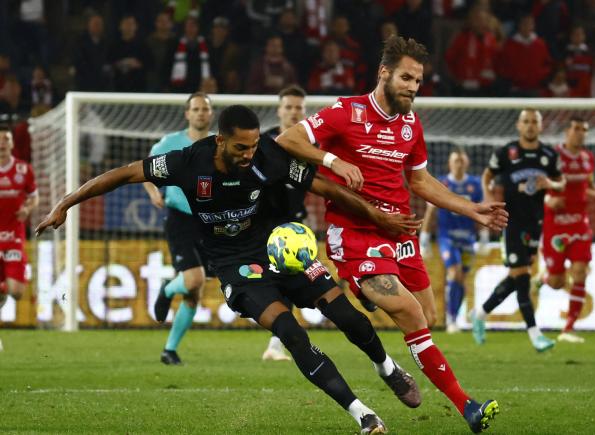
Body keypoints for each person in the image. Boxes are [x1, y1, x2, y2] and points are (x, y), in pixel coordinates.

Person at [37, 105, 429, 434]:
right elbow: (122, 174)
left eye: (254, 145)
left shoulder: (268, 156)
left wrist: (376, 214)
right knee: (290, 332)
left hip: (276, 250)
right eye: (242, 147)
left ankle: (387, 367)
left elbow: (323, 188)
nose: (249, 154)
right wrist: (65, 205)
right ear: (221, 140)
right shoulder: (188, 162)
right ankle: (362, 413)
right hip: (233, 265)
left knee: (346, 316)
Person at [276, 36, 507, 433]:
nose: (413, 88)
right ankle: (467, 406)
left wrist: (471, 209)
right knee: (414, 315)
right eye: (406, 78)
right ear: (384, 73)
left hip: (400, 234)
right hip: (355, 233)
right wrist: (333, 159)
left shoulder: (410, 124)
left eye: (418, 81)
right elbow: (287, 140)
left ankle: (371, 294)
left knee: (427, 317)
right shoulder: (345, 112)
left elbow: (419, 181)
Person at [471, 109, 565, 352]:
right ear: (518, 125)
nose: (530, 126)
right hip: (510, 222)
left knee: (516, 278)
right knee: (523, 278)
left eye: (534, 122)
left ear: (540, 127)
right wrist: (488, 196)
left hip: (535, 224)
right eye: (526, 122)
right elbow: (487, 175)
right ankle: (535, 335)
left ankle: (479, 313)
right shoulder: (506, 152)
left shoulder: (548, 155)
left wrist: (550, 184)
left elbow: (561, 181)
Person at [143, 92, 215, 365]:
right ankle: (165, 289)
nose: (200, 113)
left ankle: (169, 350)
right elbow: (146, 171)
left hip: (209, 220)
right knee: (194, 279)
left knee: (195, 292)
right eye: (195, 109)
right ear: (187, 114)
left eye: (204, 109)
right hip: (180, 217)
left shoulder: (219, 143)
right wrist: (152, 192)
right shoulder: (170, 143)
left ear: (211, 114)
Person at [535, 117, 595, 343]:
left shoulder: (588, 158)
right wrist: (548, 200)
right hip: (556, 225)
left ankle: (568, 328)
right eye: (576, 129)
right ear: (566, 132)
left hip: (580, 223)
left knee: (580, 272)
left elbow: (587, 187)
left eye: (584, 130)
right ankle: (544, 278)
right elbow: (537, 185)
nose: (580, 133)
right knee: (558, 282)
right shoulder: (553, 157)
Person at [260, 84, 307, 362]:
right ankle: (278, 340)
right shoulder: (264, 143)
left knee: (290, 282)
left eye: (298, 107)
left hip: (293, 225)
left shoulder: (310, 145)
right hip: (263, 224)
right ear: (279, 110)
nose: (293, 112)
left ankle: (277, 343)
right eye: (288, 107)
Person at [419, 148, 488, 333]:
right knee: (454, 273)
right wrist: (424, 239)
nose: (458, 163)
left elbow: (481, 211)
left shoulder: (475, 185)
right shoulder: (442, 183)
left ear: (467, 163)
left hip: (468, 239)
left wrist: (483, 236)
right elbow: (431, 211)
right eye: (455, 160)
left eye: (461, 160)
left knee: (461, 280)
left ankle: (454, 318)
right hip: (446, 237)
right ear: (450, 163)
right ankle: (450, 320)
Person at [0, 121, 38, 311]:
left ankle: (2, 289)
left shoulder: (23, 169)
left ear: (12, 143)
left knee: (16, 292)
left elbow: (34, 197)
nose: (1, 144)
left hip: (14, 238)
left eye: (5, 139)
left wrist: (27, 209)